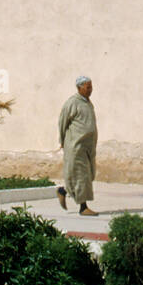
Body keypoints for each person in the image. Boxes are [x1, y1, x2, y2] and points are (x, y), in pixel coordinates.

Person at [56, 75, 98, 216]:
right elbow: (62, 122)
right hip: (75, 145)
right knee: (80, 175)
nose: (90, 90)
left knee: (87, 175)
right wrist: (62, 141)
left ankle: (64, 191)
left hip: (88, 146)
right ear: (79, 88)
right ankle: (83, 207)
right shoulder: (72, 103)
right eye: (88, 87)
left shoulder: (87, 103)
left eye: (91, 87)